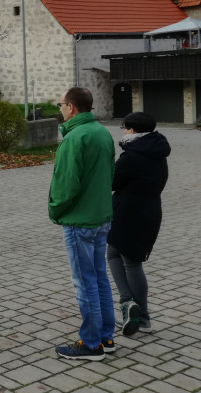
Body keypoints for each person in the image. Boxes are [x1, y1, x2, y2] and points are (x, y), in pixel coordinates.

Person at [48, 87, 115, 361]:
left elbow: (65, 186)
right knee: (99, 278)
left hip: (79, 221)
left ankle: (91, 344)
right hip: (100, 217)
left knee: (85, 282)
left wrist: (55, 211)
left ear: (71, 107)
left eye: (61, 104)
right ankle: (106, 336)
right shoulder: (102, 132)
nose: (60, 108)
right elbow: (110, 173)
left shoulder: (74, 138)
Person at [107, 112, 170, 336]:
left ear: (132, 130)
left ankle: (133, 308)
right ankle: (136, 311)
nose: (123, 131)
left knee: (128, 262)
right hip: (150, 212)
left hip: (127, 213)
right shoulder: (158, 152)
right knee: (116, 254)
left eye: (124, 128)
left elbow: (112, 182)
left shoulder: (131, 156)